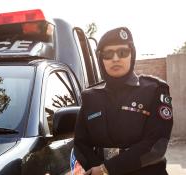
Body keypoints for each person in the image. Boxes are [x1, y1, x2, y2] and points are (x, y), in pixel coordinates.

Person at [73, 27, 173, 175]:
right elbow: (81, 144)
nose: (115, 58)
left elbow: (156, 145)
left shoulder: (154, 90)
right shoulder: (90, 96)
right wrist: (96, 169)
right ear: (101, 59)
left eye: (122, 52)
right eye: (108, 54)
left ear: (131, 55)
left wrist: (106, 169)